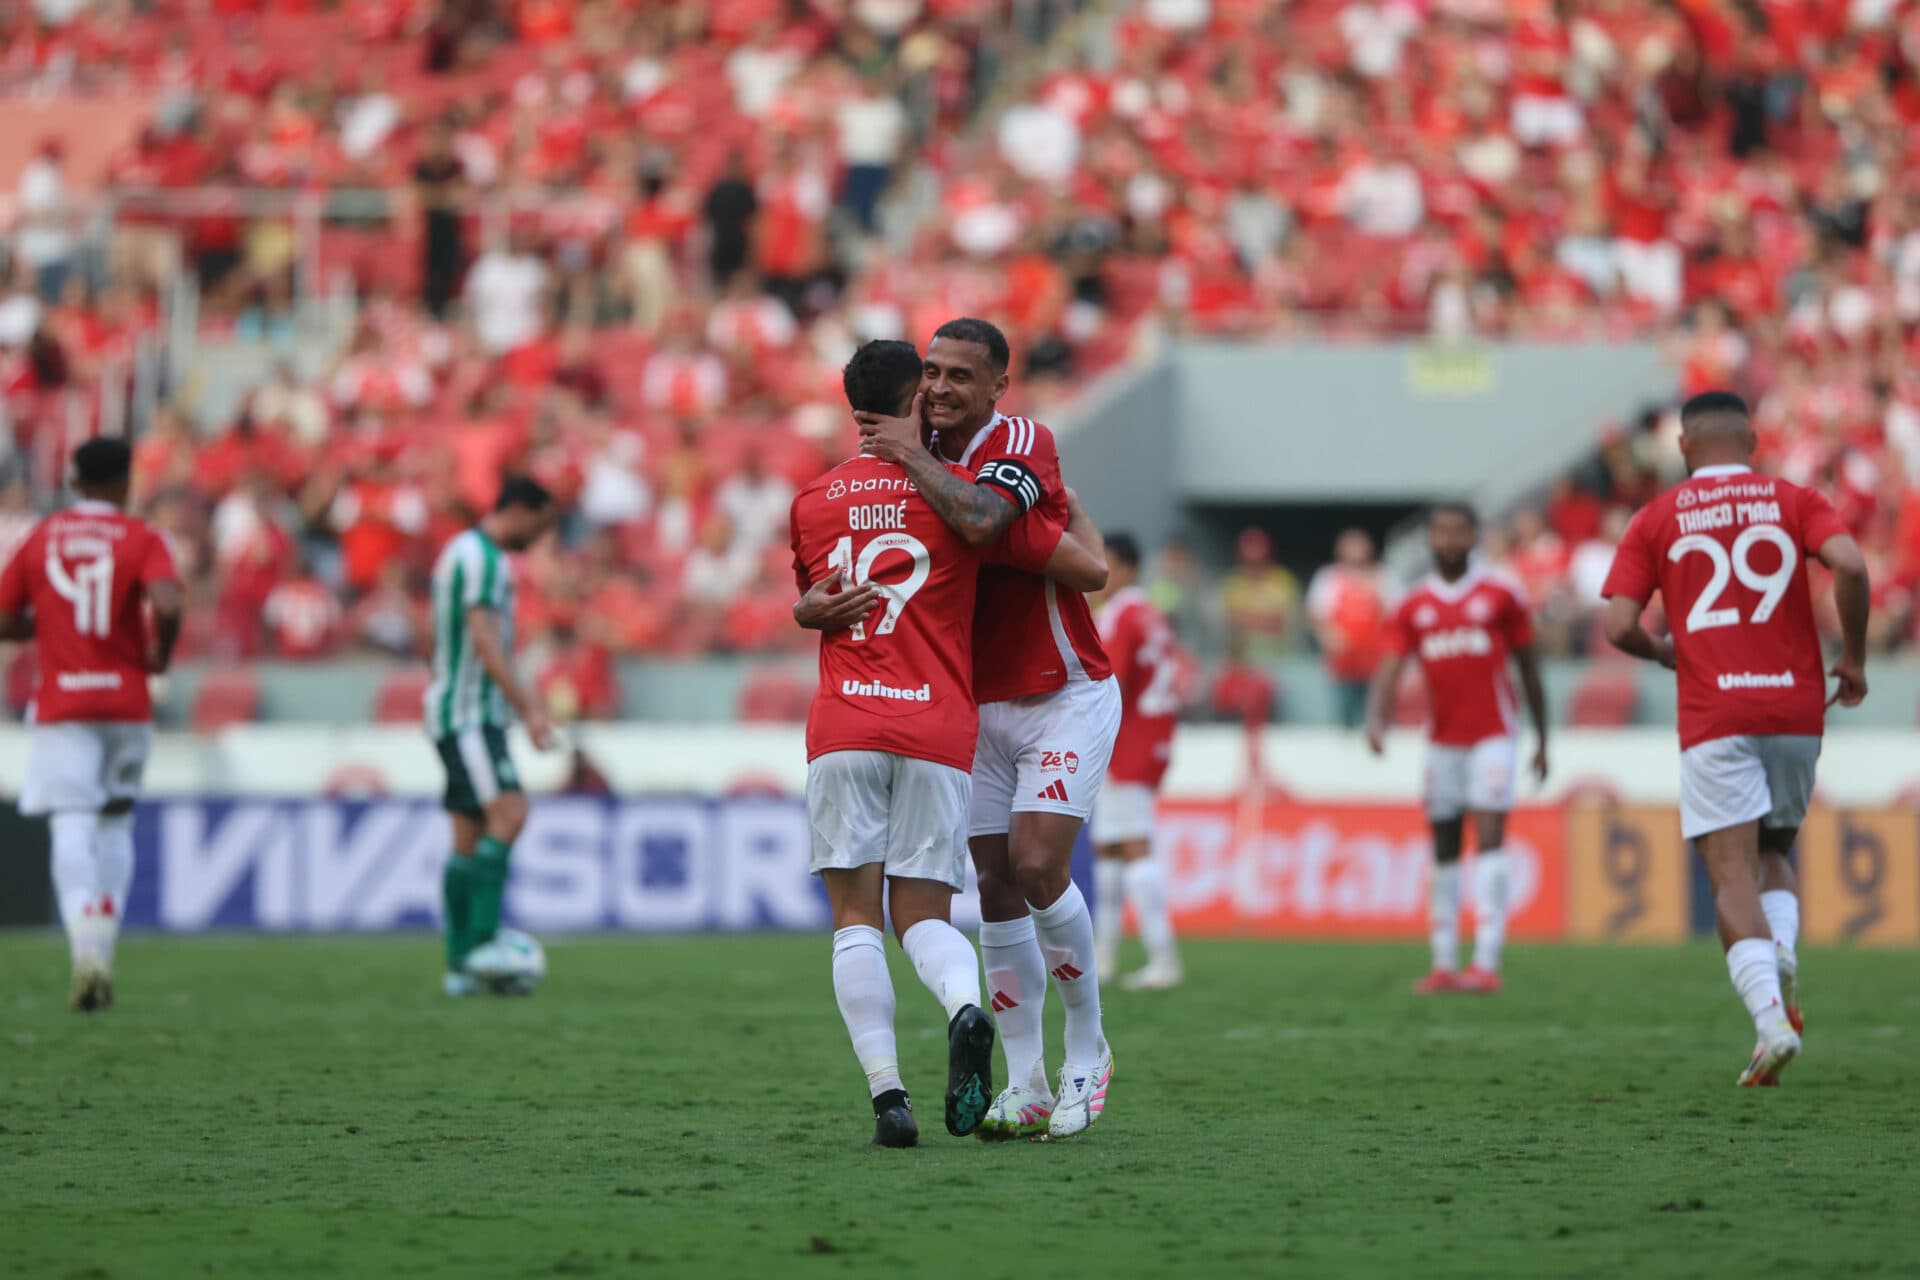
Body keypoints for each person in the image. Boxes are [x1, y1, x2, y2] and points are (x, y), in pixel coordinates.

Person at [791, 339, 1108, 1147]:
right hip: (962, 708)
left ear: (999, 385)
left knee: (1035, 867)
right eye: (930, 374)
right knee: (992, 886)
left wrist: (1057, 510)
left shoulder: (1017, 445)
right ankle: (1026, 1081)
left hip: (1059, 690)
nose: (940, 388)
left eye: (961, 375)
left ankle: (1088, 1052)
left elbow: (1054, 552)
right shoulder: (925, 464)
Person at [1601, 391, 1869, 1087]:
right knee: (1776, 848)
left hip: (1716, 711)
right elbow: (1854, 565)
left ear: (1684, 447)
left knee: (1730, 873)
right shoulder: (1794, 499)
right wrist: (1857, 659)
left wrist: (1666, 653)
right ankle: (1781, 951)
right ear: (1752, 439)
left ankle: (1769, 1024)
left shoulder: (1657, 517)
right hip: (1796, 710)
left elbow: (1618, 627)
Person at [0, 438, 182, 1012]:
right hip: (127, 703)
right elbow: (170, 604)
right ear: (127, 483)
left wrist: (40, 628)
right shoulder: (142, 538)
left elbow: (4, 614)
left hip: (64, 706)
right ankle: (105, 942)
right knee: (116, 822)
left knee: (71, 821)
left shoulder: (43, 536)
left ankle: (84, 948)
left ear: (75, 481)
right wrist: (159, 656)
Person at [1364, 503, 1549, 996]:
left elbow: (1529, 667)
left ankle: (1486, 962)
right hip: (1441, 740)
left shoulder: (1500, 593)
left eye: (1459, 532)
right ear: (1429, 538)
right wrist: (1376, 718)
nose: (1449, 541)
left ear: (1474, 538)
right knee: (1444, 849)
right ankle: (1443, 963)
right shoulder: (1413, 603)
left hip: (1494, 735)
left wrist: (1543, 739)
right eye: (1441, 532)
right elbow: (1390, 664)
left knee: (1488, 840)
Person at [425, 476, 558, 997]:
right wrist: (530, 709)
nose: (539, 539)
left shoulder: (464, 554)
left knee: (467, 835)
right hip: (469, 715)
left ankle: (460, 967)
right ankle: (482, 946)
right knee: (511, 812)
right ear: (520, 511)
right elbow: (483, 640)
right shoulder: (481, 558)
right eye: (540, 526)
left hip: (457, 710)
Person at [1091, 533, 1183, 991]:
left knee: (1132, 844)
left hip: (1128, 740)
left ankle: (1162, 956)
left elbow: (1111, 681)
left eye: (1103, 562)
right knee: (1107, 847)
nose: (1097, 572)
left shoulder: (1120, 614)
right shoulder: (1150, 612)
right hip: (1154, 736)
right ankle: (1103, 955)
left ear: (1124, 567)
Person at [1306, 528, 1387, 728]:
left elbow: (1397, 614)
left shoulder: (1382, 576)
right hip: (1341, 664)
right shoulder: (1328, 577)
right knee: (1343, 720)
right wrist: (1328, 634)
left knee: (1374, 719)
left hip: (1375, 663)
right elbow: (1314, 613)